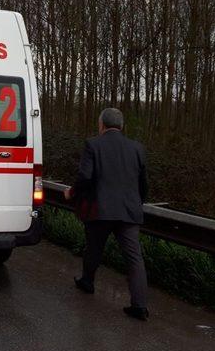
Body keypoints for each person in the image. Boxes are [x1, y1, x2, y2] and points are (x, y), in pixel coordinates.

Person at [63, 108, 150, 321]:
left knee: (94, 248)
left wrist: (71, 193)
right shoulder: (137, 148)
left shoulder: (93, 144)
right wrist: (137, 203)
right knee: (134, 258)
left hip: (100, 209)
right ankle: (139, 306)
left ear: (101, 125)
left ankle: (88, 282)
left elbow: (85, 177)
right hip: (129, 211)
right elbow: (143, 183)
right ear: (121, 126)